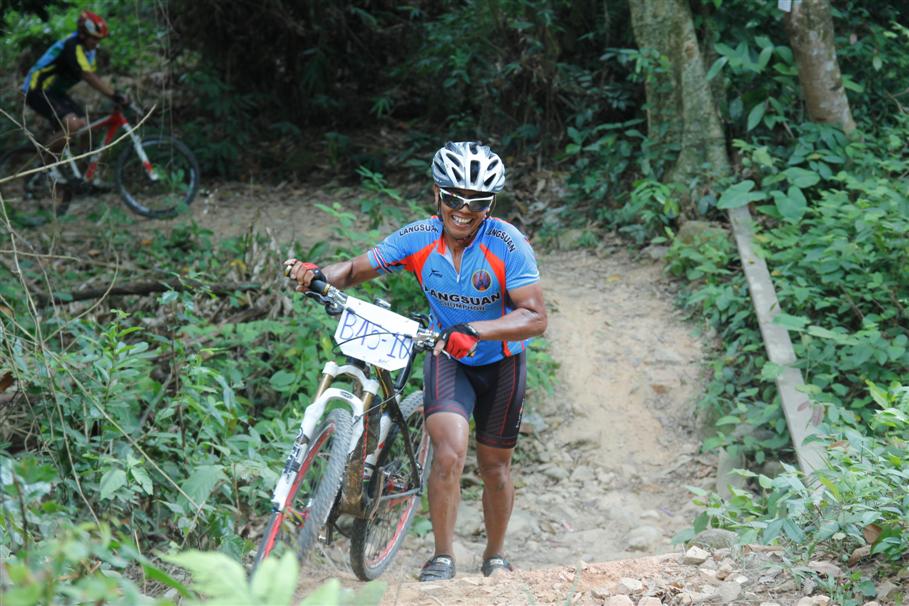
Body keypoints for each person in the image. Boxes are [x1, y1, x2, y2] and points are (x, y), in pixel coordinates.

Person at [284, 141, 547, 581]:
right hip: (447, 356)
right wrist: (317, 276)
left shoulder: (508, 244)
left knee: (495, 467)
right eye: (454, 198)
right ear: (437, 194)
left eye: (478, 202)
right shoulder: (419, 237)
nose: (463, 210)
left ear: (491, 204)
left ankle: (495, 555)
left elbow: (535, 317)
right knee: (448, 451)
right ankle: (442, 556)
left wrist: (476, 330)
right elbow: (355, 270)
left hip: (501, 363)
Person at [21, 10, 127, 183]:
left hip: (55, 93)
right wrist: (114, 95)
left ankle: (84, 178)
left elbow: (91, 76)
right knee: (72, 125)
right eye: (94, 39)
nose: (96, 43)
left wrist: (112, 94)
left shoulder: (89, 51)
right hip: (36, 89)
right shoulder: (72, 45)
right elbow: (88, 76)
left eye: (99, 40)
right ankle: (43, 169)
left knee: (86, 127)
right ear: (83, 35)